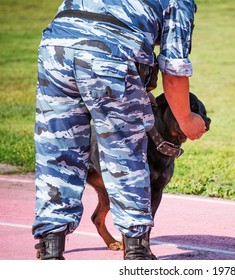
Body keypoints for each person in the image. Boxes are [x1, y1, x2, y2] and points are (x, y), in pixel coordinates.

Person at [33, 0, 205, 260]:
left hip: (56, 47)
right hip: (110, 54)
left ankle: (50, 248)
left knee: (58, 152)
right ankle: (137, 252)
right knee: (124, 152)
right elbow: (174, 71)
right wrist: (186, 119)